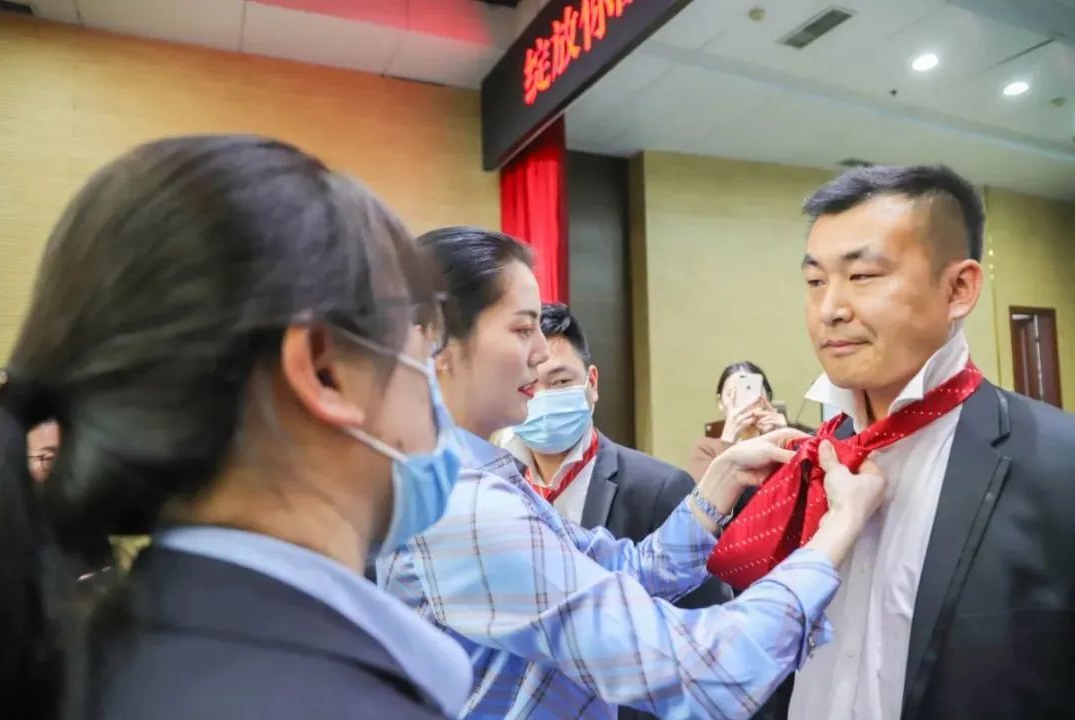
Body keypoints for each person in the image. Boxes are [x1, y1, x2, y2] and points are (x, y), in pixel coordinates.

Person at [0, 136, 473, 719]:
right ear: (323, 368)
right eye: (420, 334)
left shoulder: (100, 651)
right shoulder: (330, 703)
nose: (429, 368)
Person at [379, 226, 888, 720]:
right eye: (522, 329)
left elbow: (621, 572)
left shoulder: (469, 479)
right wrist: (836, 532)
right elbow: (700, 669)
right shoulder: (465, 508)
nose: (540, 353)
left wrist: (719, 482)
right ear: (436, 342)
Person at [713, 165, 1075, 720]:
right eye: (815, 281)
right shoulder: (798, 466)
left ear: (959, 289)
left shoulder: (1058, 465)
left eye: (862, 276)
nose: (830, 309)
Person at [501, 300, 732, 614]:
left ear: (592, 383)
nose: (543, 398)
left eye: (561, 382)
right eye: (530, 387)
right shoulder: (499, 486)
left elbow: (706, 614)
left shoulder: (660, 488)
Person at [688, 361, 786, 481]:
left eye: (753, 391)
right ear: (720, 402)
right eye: (732, 393)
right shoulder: (706, 448)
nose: (745, 401)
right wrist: (727, 443)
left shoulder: (785, 437)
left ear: (768, 398)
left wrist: (784, 442)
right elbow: (703, 492)